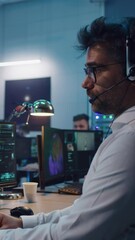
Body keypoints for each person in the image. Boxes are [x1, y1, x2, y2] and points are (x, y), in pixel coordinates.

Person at [1, 16, 135, 240]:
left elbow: (70, 235)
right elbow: (82, 212)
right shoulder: (124, 133)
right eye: (86, 71)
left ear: (132, 70)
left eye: (96, 69)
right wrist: (22, 222)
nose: (86, 82)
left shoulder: (129, 140)